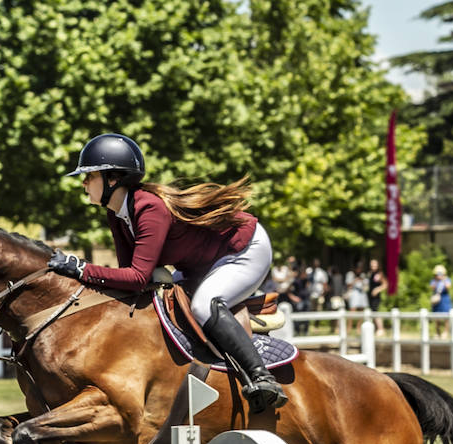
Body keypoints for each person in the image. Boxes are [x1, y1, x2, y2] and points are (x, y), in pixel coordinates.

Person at [51, 133, 286, 411]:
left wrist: (80, 268)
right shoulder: (116, 214)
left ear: (112, 179)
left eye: (90, 176)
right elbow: (134, 279)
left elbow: (137, 276)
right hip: (203, 265)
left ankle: (262, 377)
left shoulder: (149, 207)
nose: (84, 182)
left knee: (203, 305)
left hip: (243, 250)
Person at [429, 264, 453, 338]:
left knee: (446, 316)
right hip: (437, 300)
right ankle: (437, 332)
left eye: (440, 273)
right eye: (437, 274)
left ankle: (446, 332)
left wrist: (443, 280)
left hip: (444, 299)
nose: (438, 275)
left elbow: (448, 287)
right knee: (437, 317)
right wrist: (437, 281)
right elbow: (432, 287)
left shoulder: (447, 280)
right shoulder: (434, 281)